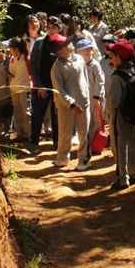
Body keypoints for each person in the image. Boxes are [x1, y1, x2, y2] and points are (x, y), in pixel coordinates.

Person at [104, 40, 135, 190]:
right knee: (134, 143)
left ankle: (122, 179)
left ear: (119, 57)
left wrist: (109, 108)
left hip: (120, 116)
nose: (111, 57)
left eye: (113, 55)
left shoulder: (117, 77)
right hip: (134, 114)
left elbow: (113, 101)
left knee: (120, 147)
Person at [50, 34, 92, 170]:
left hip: (83, 102)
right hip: (66, 106)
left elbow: (85, 79)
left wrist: (87, 96)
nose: (70, 44)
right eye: (67, 43)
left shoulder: (79, 59)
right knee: (64, 132)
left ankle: (83, 160)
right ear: (60, 51)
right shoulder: (57, 67)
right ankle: (62, 158)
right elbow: (59, 90)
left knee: (83, 132)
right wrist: (72, 104)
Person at [26, 16, 61, 154]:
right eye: (49, 28)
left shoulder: (62, 44)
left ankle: (57, 142)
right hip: (42, 86)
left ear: (59, 29)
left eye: (54, 28)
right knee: (38, 113)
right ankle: (34, 142)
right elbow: (33, 65)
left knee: (56, 114)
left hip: (58, 87)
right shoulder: (40, 43)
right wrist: (39, 84)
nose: (51, 31)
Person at [75, 37, 105, 154]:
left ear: (92, 50)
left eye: (89, 49)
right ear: (78, 53)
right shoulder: (79, 66)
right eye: (83, 50)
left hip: (95, 98)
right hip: (84, 99)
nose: (86, 52)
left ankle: (95, 145)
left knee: (96, 122)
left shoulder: (95, 65)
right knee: (87, 122)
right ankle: (87, 144)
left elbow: (100, 82)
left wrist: (96, 98)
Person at [7, 37, 31, 142]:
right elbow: (11, 71)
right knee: (17, 112)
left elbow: (32, 74)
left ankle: (30, 133)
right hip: (14, 89)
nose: (10, 51)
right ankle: (22, 132)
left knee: (26, 112)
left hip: (24, 90)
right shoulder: (12, 59)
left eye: (11, 49)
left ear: (16, 49)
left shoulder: (27, 60)